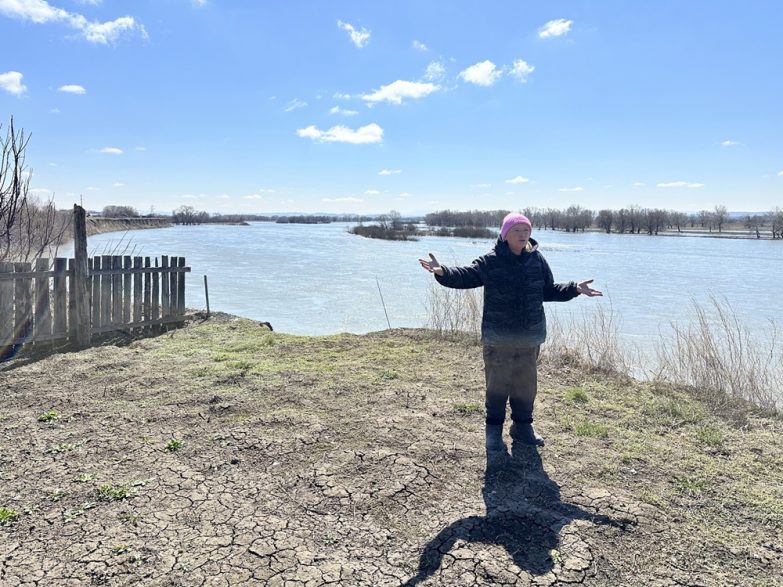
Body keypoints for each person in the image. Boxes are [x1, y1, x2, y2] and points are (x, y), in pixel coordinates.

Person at [419, 212, 602, 450]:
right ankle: (493, 431)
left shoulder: (537, 260)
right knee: (497, 386)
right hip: (499, 338)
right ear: (505, 235)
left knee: (525, 386)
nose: (522, 235)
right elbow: (467, 276)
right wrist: (443, 272)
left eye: (526, 230)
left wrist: (574, 289)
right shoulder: (491, 260)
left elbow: (547, 291)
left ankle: (522, 427)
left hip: (529, 337)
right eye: (517, 231)